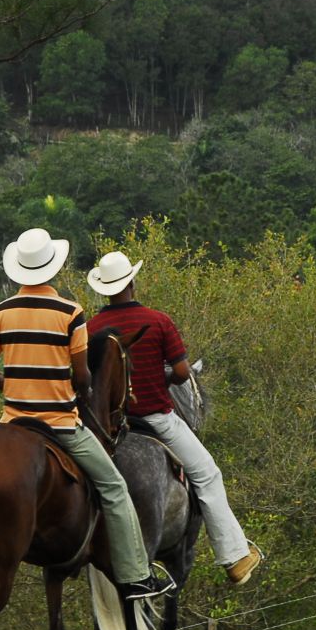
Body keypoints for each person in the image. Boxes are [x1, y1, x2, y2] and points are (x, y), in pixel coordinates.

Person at [0, 229, 174, 602]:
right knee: (115, 488)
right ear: (52, 267)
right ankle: (135, 577)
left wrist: (18, 386)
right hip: (61, 425)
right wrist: (63, 387)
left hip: (13, 423)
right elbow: (83, 377)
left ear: (19, 269)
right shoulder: (71, 313)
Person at [86, 250, 263, 586]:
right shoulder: (158, 321)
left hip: (105, 428)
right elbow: (183, 373)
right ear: (133, 283)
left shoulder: (92, 328)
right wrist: (160, 375)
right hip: (154, 418)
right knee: (208, 474)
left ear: (104, 289)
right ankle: (235, 557)